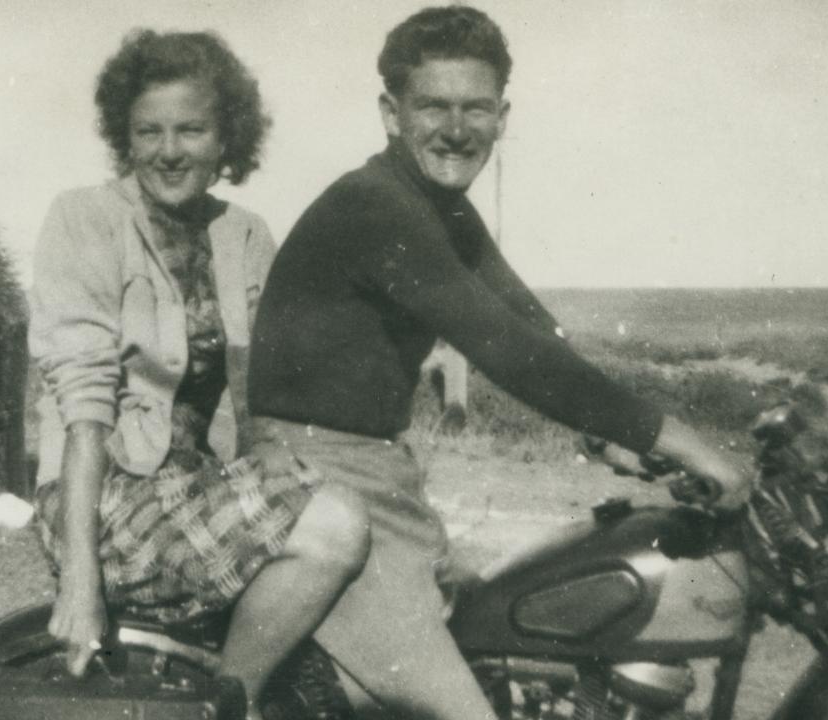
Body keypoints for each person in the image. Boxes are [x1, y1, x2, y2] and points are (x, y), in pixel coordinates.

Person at [247, 6, 751, 720]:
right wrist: (685, 443)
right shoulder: (376, 206)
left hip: (374, 476)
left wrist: (606, 433)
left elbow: (525, 320)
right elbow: (506, 349)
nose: (456, 128)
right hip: (314, 477)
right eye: (433, 107)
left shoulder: (438, 207)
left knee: (508, 640)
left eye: (475, 108)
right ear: (392, 113)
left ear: (502, 116)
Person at [27, 30, 370, 720]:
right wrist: (79, 578)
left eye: (191, 129)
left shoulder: (244, 235)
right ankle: (225, 706)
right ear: (124, 136)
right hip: (104, 499)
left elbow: (270, 393)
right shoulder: (85, 218)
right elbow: (84, 407)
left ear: (226, 140)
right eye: (147, 131)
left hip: (201, 487)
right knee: (335, 526)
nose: (168, 150)